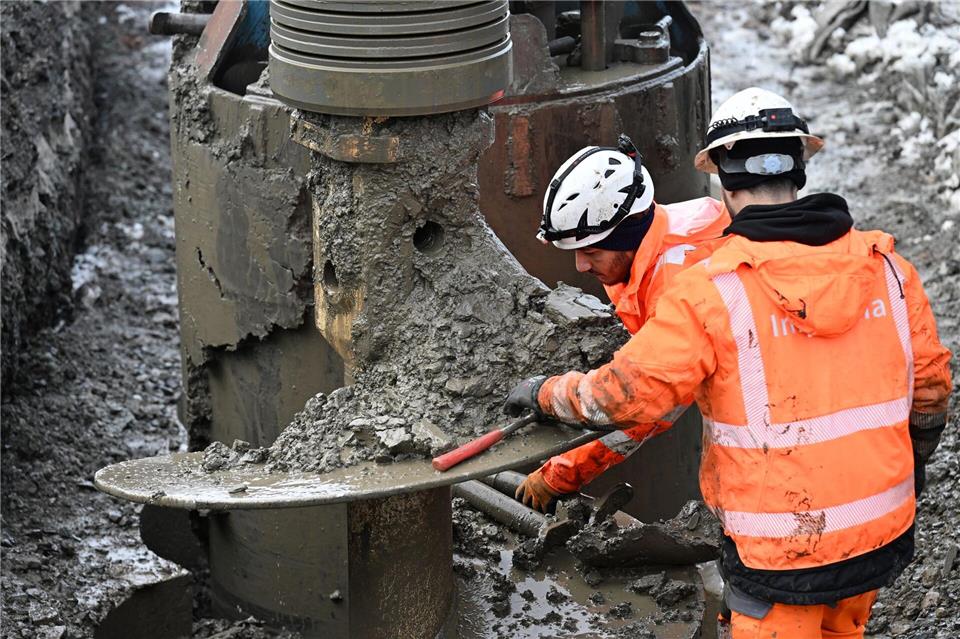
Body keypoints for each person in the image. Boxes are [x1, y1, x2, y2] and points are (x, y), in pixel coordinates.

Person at [505, 87, 952, 639]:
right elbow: (931, 394)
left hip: (782, 551)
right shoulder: (890, 268)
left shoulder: (708, 291)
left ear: (721, 177)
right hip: (882, 532)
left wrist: (547, 395)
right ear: (800, 168)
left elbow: (625, 397)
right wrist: (897, 476)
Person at [513, 135, 730, 512]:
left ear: (626, 235)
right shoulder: (658, 235)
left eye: (592, 251)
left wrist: (561, 473)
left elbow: (642, 406)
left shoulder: (678, 283)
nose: (580, 265)